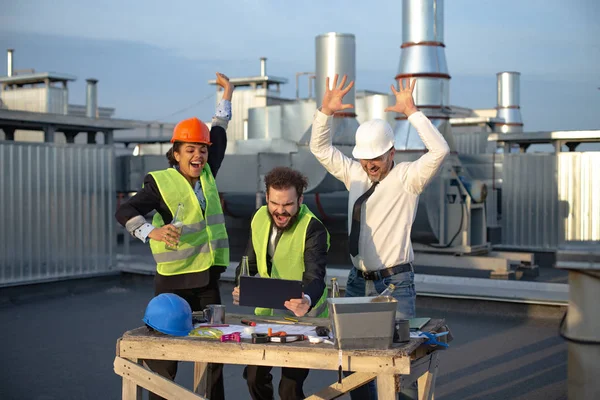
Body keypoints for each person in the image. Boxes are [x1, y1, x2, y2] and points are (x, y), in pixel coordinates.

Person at [309, 74, 450, 399]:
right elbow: (319, 148)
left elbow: (439, 150)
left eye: (376, 157)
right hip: (357, 281)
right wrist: (325, 112)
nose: (370, 164)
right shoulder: (354, 173)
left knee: (398, 365)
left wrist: (412, 111)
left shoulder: (408, 178)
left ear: (392, 152)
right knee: (353, 363)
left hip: (395, 284)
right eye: (365, 157)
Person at [115, 72, 234, 400]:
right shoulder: (161, 182)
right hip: (172, 286)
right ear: (177, 153)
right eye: (191, 149)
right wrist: (151, 231)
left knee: (214, 358)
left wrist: (228, 94)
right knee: (165, 362)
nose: (199, 156)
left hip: (208, 283)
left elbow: (220, 133)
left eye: (202, 150)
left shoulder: (208, 173)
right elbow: (125, 212)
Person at [232, 166, 329, 400]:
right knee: (254, 376)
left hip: (303, 317)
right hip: (265, 315)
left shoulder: (313, 227)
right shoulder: (259, 218)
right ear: (267, 197)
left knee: (289, 388)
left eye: (288, 205)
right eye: (275, 203)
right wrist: (240, 286)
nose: (280, 211)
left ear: (300, 200)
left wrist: (305, 300)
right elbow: (249, 262)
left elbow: (316, 277)